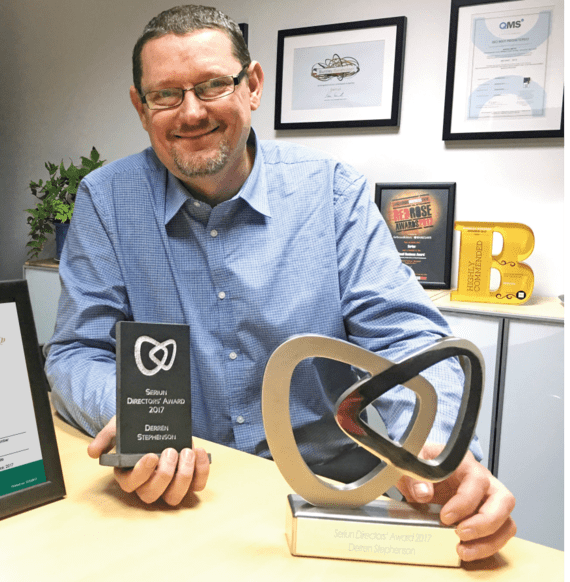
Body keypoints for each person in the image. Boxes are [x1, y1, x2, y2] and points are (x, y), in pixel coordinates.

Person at [44, 5, 516, 561]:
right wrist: (135, 418)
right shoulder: (107, 199)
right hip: (182, 496)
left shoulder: (332, 192)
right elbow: (78, 350)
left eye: (213, 85)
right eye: (166, 94)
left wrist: (433, 449)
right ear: (140, 106)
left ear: (253, 86)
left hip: (333, 499)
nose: (190, 112)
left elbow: (409, 343)